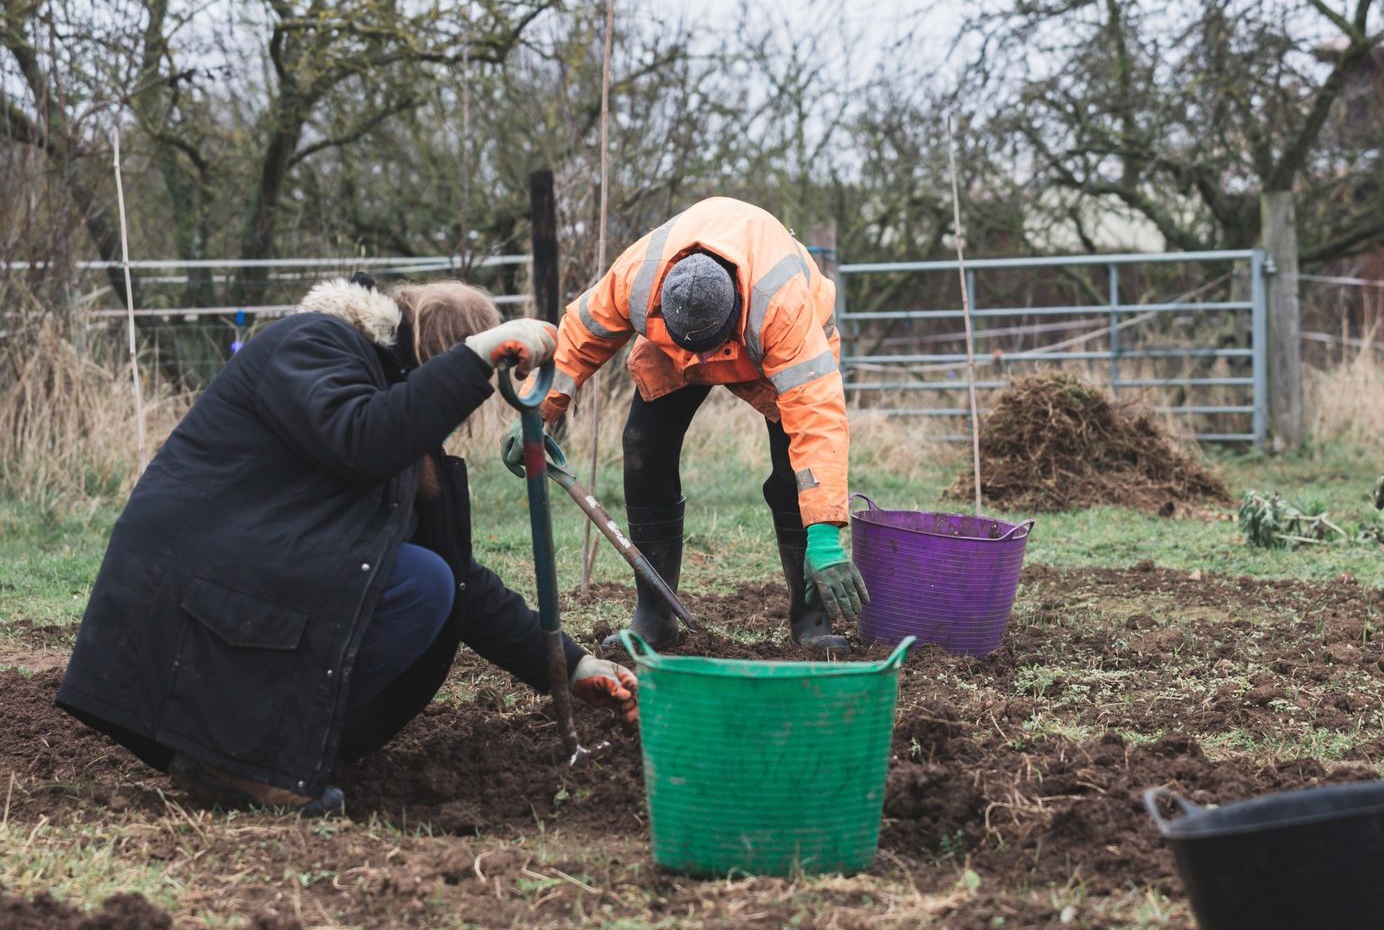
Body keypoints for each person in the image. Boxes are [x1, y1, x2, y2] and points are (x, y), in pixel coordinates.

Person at [57, 275, 637, 815]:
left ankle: (276, 747)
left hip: (245, 574)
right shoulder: (315, 344)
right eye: (465, 382)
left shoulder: (394, 416)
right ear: (436, 361)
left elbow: (463, 583)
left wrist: (573, 664)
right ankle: (239, 761)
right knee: (419, 584)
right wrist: (476, 358)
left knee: (428, 580)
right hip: (185, 582)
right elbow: (359, 439)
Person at [504, 197, 867, 652]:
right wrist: (537, 413)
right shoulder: (637, 279)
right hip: (670, 349)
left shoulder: (782, 308)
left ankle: (810, 621)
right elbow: (580, 336)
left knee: (792, 475)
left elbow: (818, 421)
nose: (706, 363)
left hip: (776, 352)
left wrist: (826, 533)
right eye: (697, 350)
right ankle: (654, 616)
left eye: (711, 349)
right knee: (642, 447)